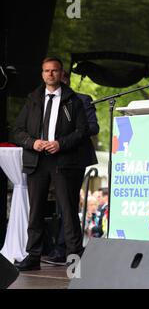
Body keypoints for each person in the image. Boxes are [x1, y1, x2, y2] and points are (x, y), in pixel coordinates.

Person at [14, 57, 88, 271]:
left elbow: (82, 132)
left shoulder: (74, 100)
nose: (50, 74)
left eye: (54, 71)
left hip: (63, 161)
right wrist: (32, 142)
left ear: (61, 73)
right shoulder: (33, 99)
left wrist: (60, 144)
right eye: (46, 71)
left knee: (68, 210)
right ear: (42, 74)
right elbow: (17, 131)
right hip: (37, 160)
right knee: (35, 211)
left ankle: (75, 258)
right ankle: (33, 256)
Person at [43, 70, 100, 263]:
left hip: (74, 160)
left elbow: (93, 127)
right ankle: (61, 247)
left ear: (66, 80)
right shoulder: (46, 101)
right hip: (51, 159)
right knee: (59, 205)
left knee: (67, 204)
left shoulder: (82, 100)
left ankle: (66, 248)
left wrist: (68, 137)